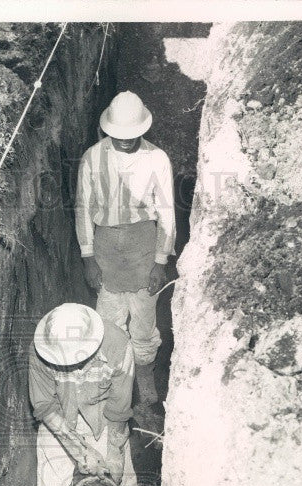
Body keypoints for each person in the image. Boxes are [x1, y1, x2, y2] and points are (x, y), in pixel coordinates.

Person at [28, 302, 144, 486]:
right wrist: (79, 452)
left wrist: (113, 454)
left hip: (104, 418)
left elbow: (119, 409)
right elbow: (43, 404)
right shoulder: (44, 347)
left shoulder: (118, 345)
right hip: (60, 419)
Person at [75, 91, 176, 406]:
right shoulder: (93, 157)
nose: (126, 141)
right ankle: (118, 383)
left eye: (132, 135)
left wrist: (160, 261)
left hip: (143, 245)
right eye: (119, 136)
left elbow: (167, 211)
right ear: (107, 129)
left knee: (144, 319)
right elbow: (83, 208)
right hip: (107, 247)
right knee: (109, 318)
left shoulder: (157, 158)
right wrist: (88, 257)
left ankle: (145, 377)